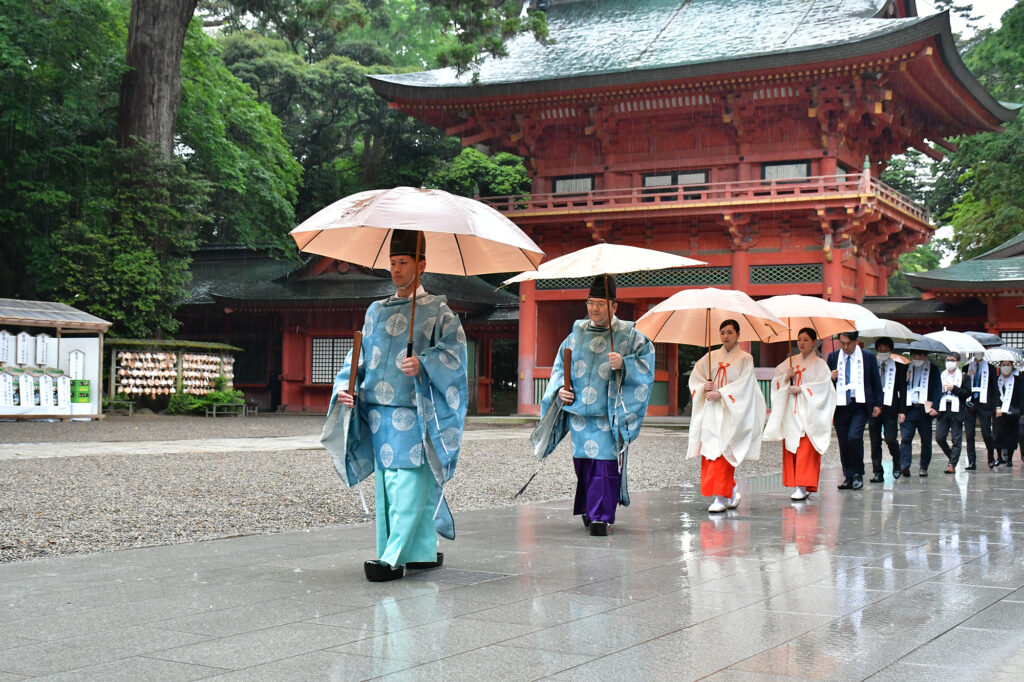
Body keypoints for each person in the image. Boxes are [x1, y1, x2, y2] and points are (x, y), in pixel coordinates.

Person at [321, 230, 468, 582]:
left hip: (414, 411)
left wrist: (425, 363)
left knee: (407, 484)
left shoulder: (440, 311)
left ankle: (391, 558)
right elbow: (356, 360)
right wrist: (346, 388)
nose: (396, 270)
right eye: (392, 263)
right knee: (390, 485)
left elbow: (456, 357)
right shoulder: (375, 311)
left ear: (422, 265)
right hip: (377, 412)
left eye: (403, 262)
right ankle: (420, 551)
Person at [532, 275, 655, 536]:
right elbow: (558, 369)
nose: (594, 309)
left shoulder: (631, 335)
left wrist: (624, 363)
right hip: (579, 414)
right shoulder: (575, 334)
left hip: (606, 416)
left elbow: (646, 365)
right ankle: (591, 508)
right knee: (584, 465)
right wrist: (560, 390)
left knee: (604, 466)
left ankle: (601, 516)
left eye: (601, 303)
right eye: (591, 303)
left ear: (614, 307)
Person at [688, 319, 765, 513]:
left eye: (730, 332)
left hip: (731, 412)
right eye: (722, 332)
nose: (725, 336)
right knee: (710, 451)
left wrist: (721, 393)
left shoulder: (746, 358)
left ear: (738, 334)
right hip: (711, 411)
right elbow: (696, 378)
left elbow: (745, 385)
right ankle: (726, 492)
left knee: (724, 451)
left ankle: (720, 497)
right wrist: (702, 387)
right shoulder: (710, 357)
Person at [764, 327, 836, 501]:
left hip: (808, 413)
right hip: (792, 411)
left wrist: (802, 389)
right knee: (793, 446)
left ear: (814, 342)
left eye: (805, 339)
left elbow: (824, 387)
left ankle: (803, 485)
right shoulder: (790, 362)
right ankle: (799, 484)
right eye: (799, 339)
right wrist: (786, 378)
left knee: (806, 449)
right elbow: (777, 381)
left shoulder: (820, 364)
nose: (801, 343)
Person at [826, 331, 882, 490]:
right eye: (842, 343)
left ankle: (858, 473)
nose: (845, 347)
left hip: (860, 404)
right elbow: (824, 383)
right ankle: (848, 476)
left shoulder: (868, 357)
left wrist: (879, 404)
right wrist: (830, 377)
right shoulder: (833, 357)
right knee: (843, 441)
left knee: (854, 437)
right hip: (840, 404)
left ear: (856, 341)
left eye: (848, 343)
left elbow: (875, 381)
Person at [868, 337, 906, 482]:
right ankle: (878, 472)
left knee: (890, 438)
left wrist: (902, 411)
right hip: (874, 408)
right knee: (875, 441)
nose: (883, 352)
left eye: (886, 350)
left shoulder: (900, 367)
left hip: (891, 408)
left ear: (891, 351)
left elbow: (903, 391)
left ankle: (897, 462)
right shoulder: (871, 365)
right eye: (880, 350)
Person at [899, 349, 941, 477]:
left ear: (925, 356)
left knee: (926, 440)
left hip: (925, 409)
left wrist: (936, 406)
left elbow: (937, 389)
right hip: (909, 408)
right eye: (915, 355)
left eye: (920, 355)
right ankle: (904, 465)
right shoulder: (905, 368)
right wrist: (905, 379)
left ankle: (923, 467)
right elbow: (899, 388)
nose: (917, 357)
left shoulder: (933, 369)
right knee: (906, 438)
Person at [936, 352, 970, 473]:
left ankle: (951, 464)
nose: (949, 362)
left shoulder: (964, 376)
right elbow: (935, 392)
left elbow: (967, 393)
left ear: (958, 362)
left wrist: (953, 388)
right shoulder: (941, 375)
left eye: (952, 360)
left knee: (956, 439)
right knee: (939, 437)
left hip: (957, 409)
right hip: (943, 409)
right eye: (948, 360)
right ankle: (952, 457)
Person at [964, 352, 997, 468]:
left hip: (984, 404)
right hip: (970, 402)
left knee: (986, 432)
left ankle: (991, 457)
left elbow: (994, 388)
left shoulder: (991, 368)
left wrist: (994, 406)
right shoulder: (966, 367)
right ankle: (972, 461)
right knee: (969, 434)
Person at [993, 360, 1021, 467]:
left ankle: (1009, 458)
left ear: (1012, 366)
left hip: (1013, 411)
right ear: (1000, 366)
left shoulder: (1017, 380)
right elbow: (994, 396)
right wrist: (997, 407)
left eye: (1008, 365)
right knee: (998, 435)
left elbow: (1021, 396)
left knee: (1011, 435)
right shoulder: (997, 380)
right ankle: (999, 457)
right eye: (1003, 365)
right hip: (998, 412)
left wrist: (1020, 410)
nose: (1006, 367)